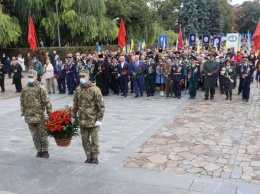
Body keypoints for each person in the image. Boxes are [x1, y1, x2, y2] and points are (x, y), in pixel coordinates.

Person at [71, 69, 105, 164]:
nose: (81, 78)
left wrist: (99, 119)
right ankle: (88, 156)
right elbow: (75, 104)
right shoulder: (78, 89)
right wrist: (73, 116)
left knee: (94, 140)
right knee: (84, 140)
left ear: (88, 77)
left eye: (83, 77)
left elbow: (101, 106)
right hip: (82, 120)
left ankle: (95, 157)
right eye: (80, 77)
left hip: (93, 120)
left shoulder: (95, 89)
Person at [20, 69, 52, 158]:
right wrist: (22, 113)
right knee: (34, 135)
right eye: (29, 77)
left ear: (36, 77)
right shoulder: (25, 89)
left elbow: (47, 102)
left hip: (39, 116)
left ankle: (45, 150)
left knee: (42, 134)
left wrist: (50, 114)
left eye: (31, 77)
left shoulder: (40, 88)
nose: (30, 78)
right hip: (29, 116)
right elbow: (22, 101)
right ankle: (39, 150)